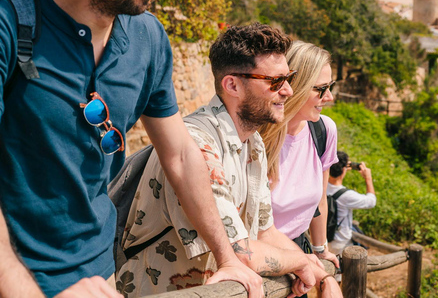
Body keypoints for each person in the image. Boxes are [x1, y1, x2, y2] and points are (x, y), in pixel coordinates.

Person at [0, 0, 261, 298]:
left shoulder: (148, 38)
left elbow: (178, 154)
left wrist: (228, 257)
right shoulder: (10, 24)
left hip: (99, 276)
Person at [119, 24, 341, 297]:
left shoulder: (254, 144)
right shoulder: (198, 144)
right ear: (232, 85)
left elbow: (265, 233)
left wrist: (320, 274)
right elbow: (243, 252)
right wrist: (301, 262)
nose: (288, 91)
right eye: (275, 82)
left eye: (289, 78)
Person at [270, 42, 339, 267]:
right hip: (260, 257)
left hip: (301, 253)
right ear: (294, 87)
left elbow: (320, 200)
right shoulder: (258, 138)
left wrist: (320, 249)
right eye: (320, 89)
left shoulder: (324, 131)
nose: (329, 97)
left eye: (331, 86)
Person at [326, 152, 377, 254]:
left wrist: (342, 169)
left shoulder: (321, 186)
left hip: (323, 241)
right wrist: (368, 178)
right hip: (340, 244)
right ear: (343, 170)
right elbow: (371, 201)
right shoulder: (347, 195)